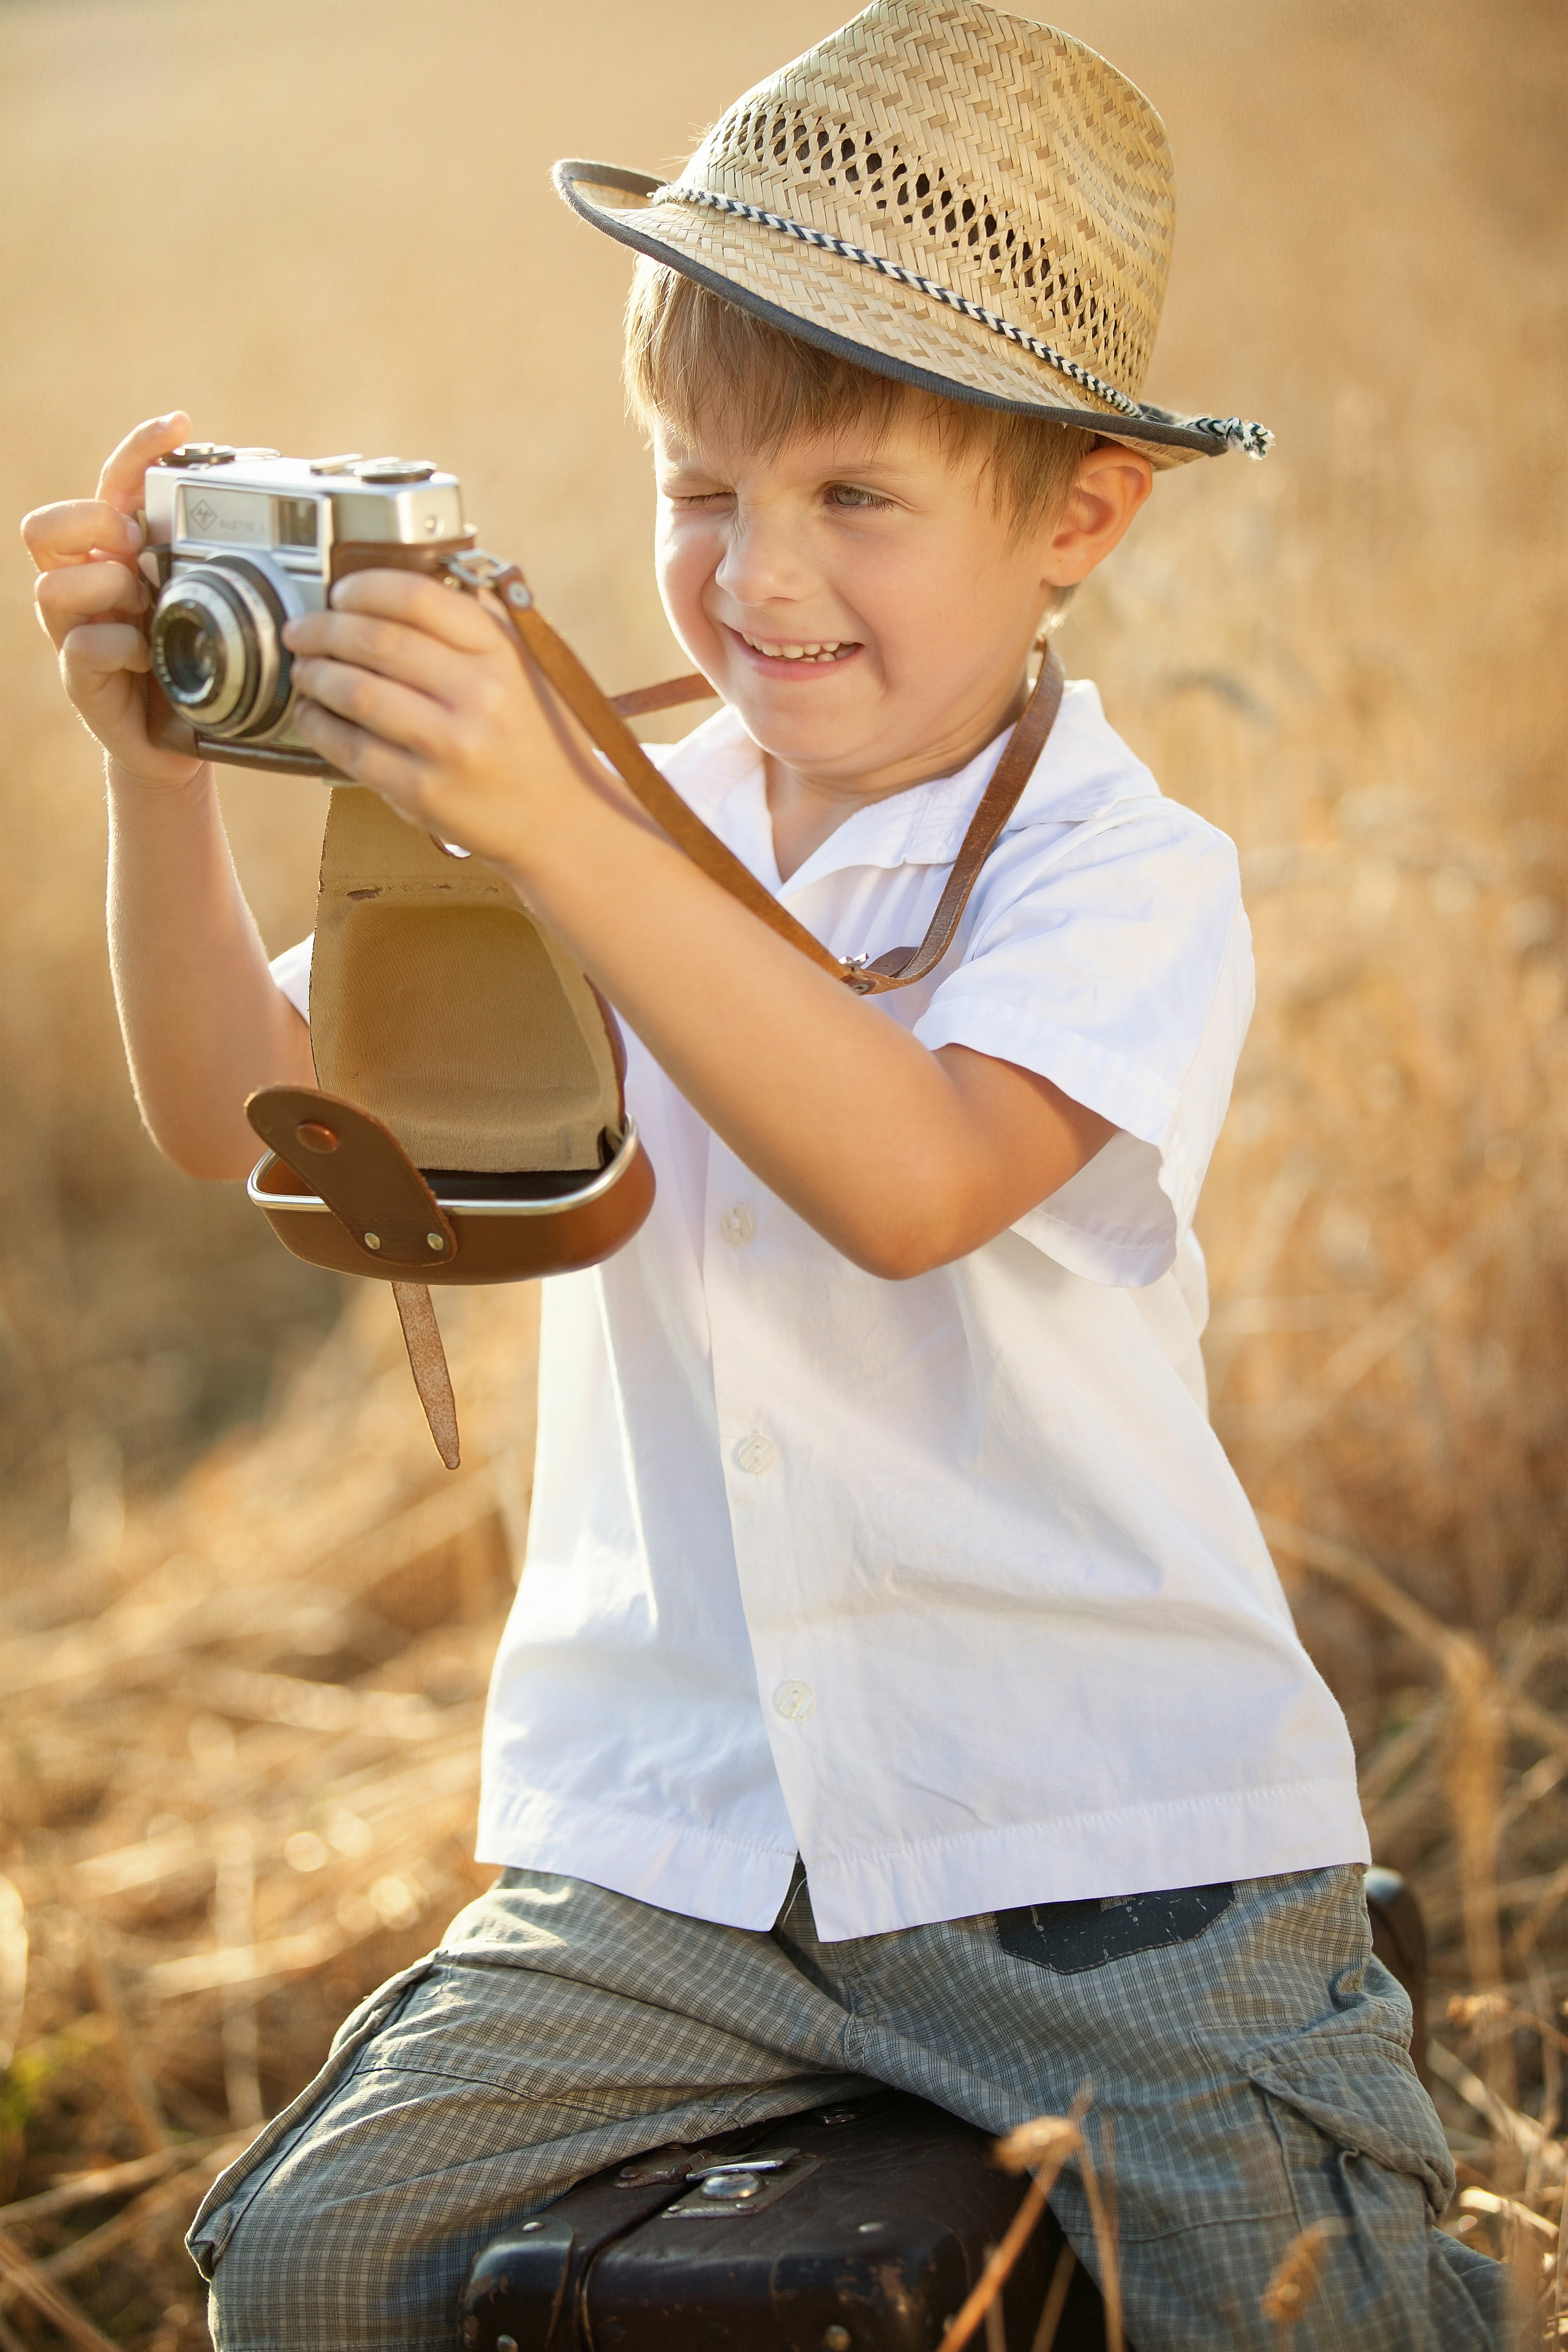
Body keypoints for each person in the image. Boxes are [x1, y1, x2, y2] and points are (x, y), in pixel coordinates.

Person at [23, 4, 1506, 2345]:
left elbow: (915, 1183)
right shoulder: (597, 800)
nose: (757, 574)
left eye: (854, 499)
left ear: (1079, 517)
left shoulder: (1120, 870)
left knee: (1315, 2320)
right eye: (700, 489)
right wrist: (160, 780)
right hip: (680, 1858)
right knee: (306, 2267)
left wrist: (557, 825)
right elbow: (242, 1117)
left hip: (1096, 1845)